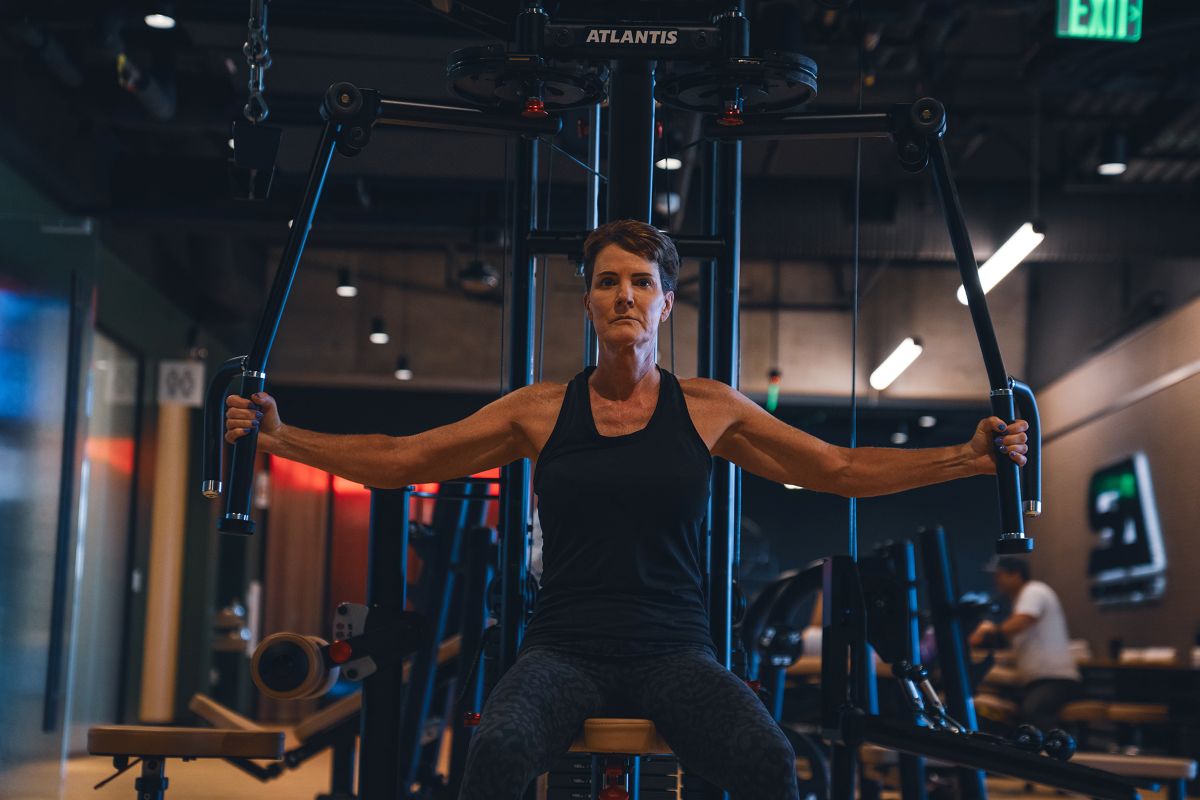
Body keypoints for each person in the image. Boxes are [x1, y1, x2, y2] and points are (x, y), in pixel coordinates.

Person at [227, 220, 1029, 800]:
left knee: (768, 760)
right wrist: (282, 438)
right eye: (608, 281)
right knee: (498, 749)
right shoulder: (538, 412)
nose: (624, 295)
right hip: (564, 648)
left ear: (666, 305)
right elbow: (404, 460)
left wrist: (965, 457)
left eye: (641, 282)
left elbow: (840, 469)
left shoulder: (712, 409)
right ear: (588, 302)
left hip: (673, 651)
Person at [970, 558, 1081, 732]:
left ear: (1016, 575)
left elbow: (1023, 621)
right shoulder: (1021, 599)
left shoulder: (1033, 590)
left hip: (1055, 679)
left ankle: (1042, 758)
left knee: (1032, 716)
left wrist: (989, 633)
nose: (996, 580)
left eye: (999, 575)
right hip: (1038, 681)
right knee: (1015, 719)